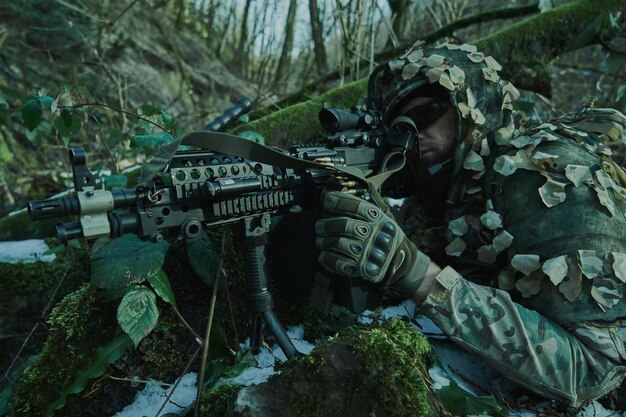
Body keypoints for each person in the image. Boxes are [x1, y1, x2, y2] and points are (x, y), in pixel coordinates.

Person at [315, 43, 626, 408]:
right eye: (400, 127)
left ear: (474, 105)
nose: (413, 136)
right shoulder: (447, 186)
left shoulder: (550, 178)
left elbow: (600, 372)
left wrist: (421, 277)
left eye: (428, 113)